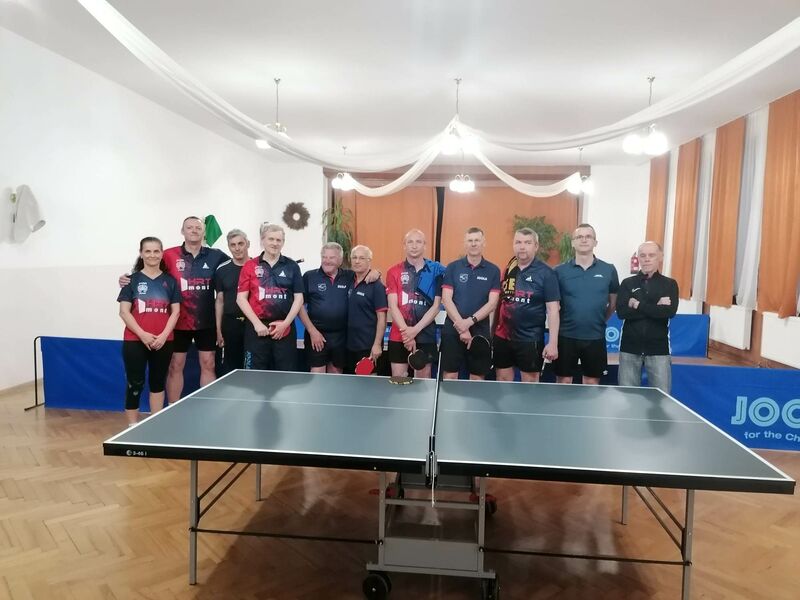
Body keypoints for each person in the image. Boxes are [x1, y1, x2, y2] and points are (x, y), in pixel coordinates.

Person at [117, 237, 181, 425]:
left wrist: (163, 336)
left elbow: (176, 312)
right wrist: (142, 334)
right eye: (148, 251)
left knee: (158, 383)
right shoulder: (131, 281)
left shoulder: (170, 281)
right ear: (141, 253)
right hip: (134, 341)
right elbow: (124, 312)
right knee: (134, 383)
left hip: (163, 341)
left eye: (156, 251)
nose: (152, 255)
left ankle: (155, 424)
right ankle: (132, 426)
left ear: (161, 253)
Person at [553, 224, 619, 385]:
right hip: (566, 336)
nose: (584, 240)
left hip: (595, 336)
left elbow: (613, 303)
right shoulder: (559, 271)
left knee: (591, 383)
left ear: (595, 242)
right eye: (579, 237)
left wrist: (600, 320)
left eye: (588, 236)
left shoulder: (609, 270)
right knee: (563, 381)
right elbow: (553, 306)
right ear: (572, 243)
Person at [494, 228, 560, 383]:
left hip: (530, 339)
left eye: (527, 243)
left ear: (536, 246)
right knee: (502, 380)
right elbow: (499, 303)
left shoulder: (546, 273)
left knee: (530, 385)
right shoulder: (508, 268)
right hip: (503, 337)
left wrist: (553, 343)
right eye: (518, 242)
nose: (522, 247)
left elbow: (553, 310)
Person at [236, 223, 304, 371]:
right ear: (263, 240)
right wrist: (257, 324)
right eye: (271, 239)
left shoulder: (292, 266)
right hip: (257, 329)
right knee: (254, 375)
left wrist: (285, 324)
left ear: (283, 242)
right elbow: (241, 299)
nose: (275, 243)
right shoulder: (250, 265)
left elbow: (299, 298)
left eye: (278, 240)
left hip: (285, 329)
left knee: (286, 375)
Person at [616, 241, 679, 393]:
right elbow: (622, 312)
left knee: (661, 398)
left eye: (651, 255)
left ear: (660, 257)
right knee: (627, 397)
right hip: (629, 349)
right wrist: (655, 306)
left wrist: (637, 304)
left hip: (658, 350)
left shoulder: (669, 284)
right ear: (638, 258)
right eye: (643, 255)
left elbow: (668, 312)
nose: (647, 259)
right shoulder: (627, 283)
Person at [440, 227, 501, 380]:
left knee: (477, 378)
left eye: (477, 240)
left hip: (480, 331)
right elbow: (446, 299)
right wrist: (461, 326)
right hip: (453, 329)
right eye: (470, 240)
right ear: (465, 243)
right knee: (450, 376)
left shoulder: (493, 270)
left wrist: (468, 322)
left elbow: (492, 304)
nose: (473, 244)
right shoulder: (453, 267)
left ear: (483, 243)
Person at [386, 229, 443, 379]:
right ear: (404, 245)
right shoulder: (393, 271)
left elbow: (436, 307)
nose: (414, 245)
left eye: (418, 242)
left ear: (425, 245)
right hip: (399, 336)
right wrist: (407, 334)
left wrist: (415, 330)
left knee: (423, 382)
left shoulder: (437, 271)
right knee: (399, 379)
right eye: (410, 242)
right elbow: (393, 306)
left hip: (425, 335)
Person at [346, 245, 388, 374]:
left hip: (368, 346)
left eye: (361, 258)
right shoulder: (348, 279)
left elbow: (382, 318)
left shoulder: (377, 286)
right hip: (349, 345)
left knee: (369, 382)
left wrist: (377, 344)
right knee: (350, 383)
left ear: (369, 260)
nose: (357, 261)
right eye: (354, 257)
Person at [214, 229, 250, 374]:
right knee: (231, 368)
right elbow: (219, 301)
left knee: (251, 365)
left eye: (241, 243)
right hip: (230, 325)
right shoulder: (222, 270)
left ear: (248, 244)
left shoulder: (258, 267)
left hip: (253, 325)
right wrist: (218, 330)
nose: (237, 248)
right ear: (229, 247)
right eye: (233, 245)